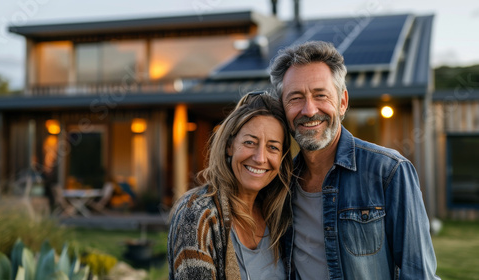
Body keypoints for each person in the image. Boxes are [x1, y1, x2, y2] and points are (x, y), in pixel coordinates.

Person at [269, 41, 440, 280]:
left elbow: (417, 273)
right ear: (282, 109)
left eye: (321, 95)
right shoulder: (280, 183)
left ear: (342, 102)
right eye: (295, 98)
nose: (308, 110)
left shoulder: (390, 172)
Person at [168, 91, 293, 279]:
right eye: (250, 142)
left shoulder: (280, 216)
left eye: (273, 147)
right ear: (229, 146)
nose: (260, 158)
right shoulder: (196, 214)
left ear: (282, 158)